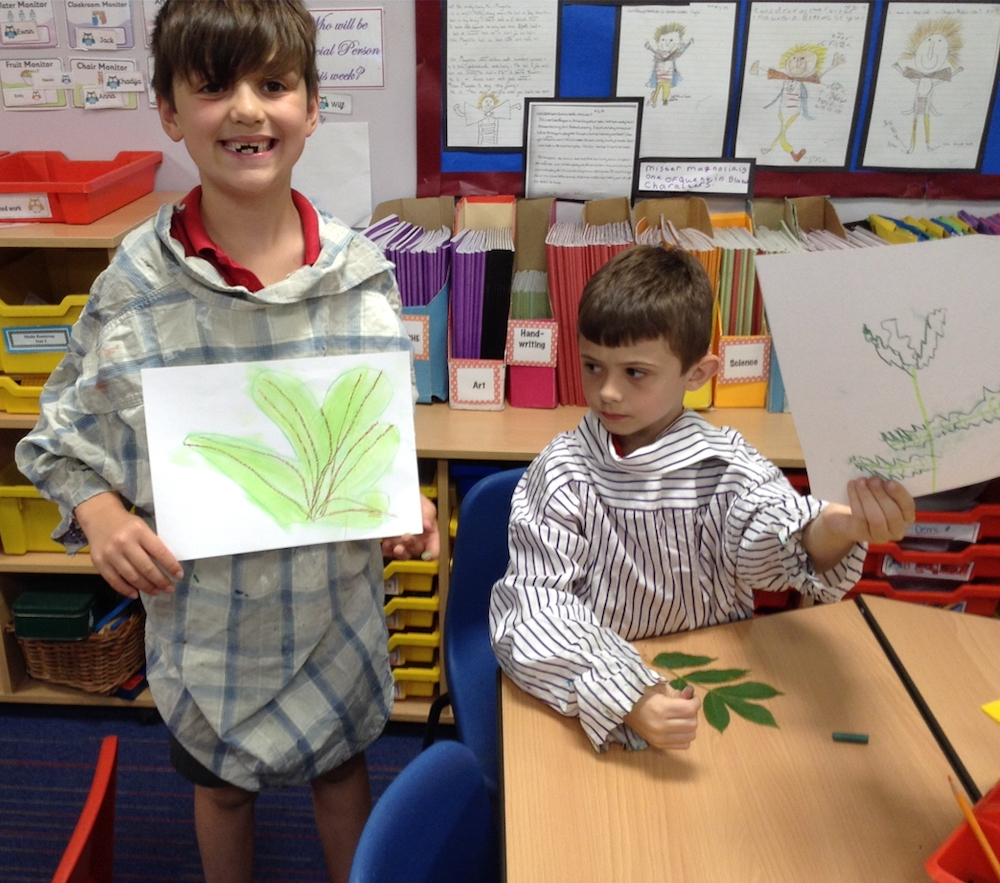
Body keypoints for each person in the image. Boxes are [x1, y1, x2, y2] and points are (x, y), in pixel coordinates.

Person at [14, 2, 438, 882]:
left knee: (343, 770)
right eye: (213, 88)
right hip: (209, 621)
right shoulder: (134, 284)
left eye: (274, 85)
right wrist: (98, 512)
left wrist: (406, 509)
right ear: (170, 113)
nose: (247, 109)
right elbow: (56, 440)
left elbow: (373, 445)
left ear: (312, 107)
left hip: (337, 610)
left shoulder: (363, 278)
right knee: (221, 787)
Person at [489, 244, 915, 755]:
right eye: (593, 366)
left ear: (697, 374)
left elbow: (773, 531)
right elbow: (533, 610)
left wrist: (837, 528)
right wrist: (629, 694)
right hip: (602, 690)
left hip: (713, 685)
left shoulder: (723, 464)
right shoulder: (562, 472)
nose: (607, 392)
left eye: (635, 372)